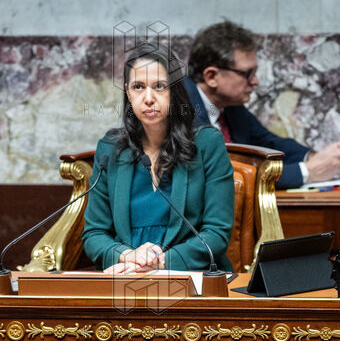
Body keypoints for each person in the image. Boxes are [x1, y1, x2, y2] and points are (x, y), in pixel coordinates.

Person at [82, 43, 234, 275]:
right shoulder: (110, 149)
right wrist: (128, 256)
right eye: (138, 87)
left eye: (160, 86)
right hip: (126, 275)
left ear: (174, 91)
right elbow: (94, 234)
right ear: (128, 92)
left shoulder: (207, 144)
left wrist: (161, 262)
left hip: (190, 277)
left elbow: (216, 233)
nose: (148, 98)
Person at [186, 22, 340, 189]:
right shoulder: (182, 112)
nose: (255, 81)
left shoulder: (228, 105)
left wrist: (314, 157)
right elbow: (223, 177)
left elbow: (269, 144)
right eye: (247, 73)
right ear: (211, 76)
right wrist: (307, 172)